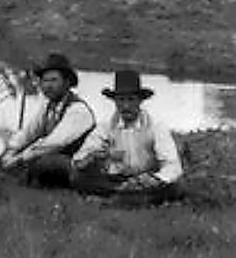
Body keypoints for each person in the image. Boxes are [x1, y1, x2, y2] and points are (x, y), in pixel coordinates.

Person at [69, 70, 183, 203]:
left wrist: (153, 180)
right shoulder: (106, 126)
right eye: (121, 100)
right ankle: (124, 197)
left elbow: (173, 166)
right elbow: (79, 159)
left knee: (174, 187)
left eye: (131, 99)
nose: (126, 106)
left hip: (147, 180)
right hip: (115, 179)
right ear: (115, 101)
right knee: (77, 177)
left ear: (140, 101)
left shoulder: (156, 126)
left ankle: (112, 200)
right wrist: (92, 157)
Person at [0, 53, 96, 187]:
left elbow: (54, 143)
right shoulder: (47, 107)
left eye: (54, 80)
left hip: (79, 167)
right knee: (11, 158)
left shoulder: (78, 110)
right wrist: (10, 150)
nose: (48, 86)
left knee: (42, 162)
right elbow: (29, 133)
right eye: (45, 81)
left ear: (67, 82)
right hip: (56, 161)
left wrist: (19, 159)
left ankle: (27, 182)